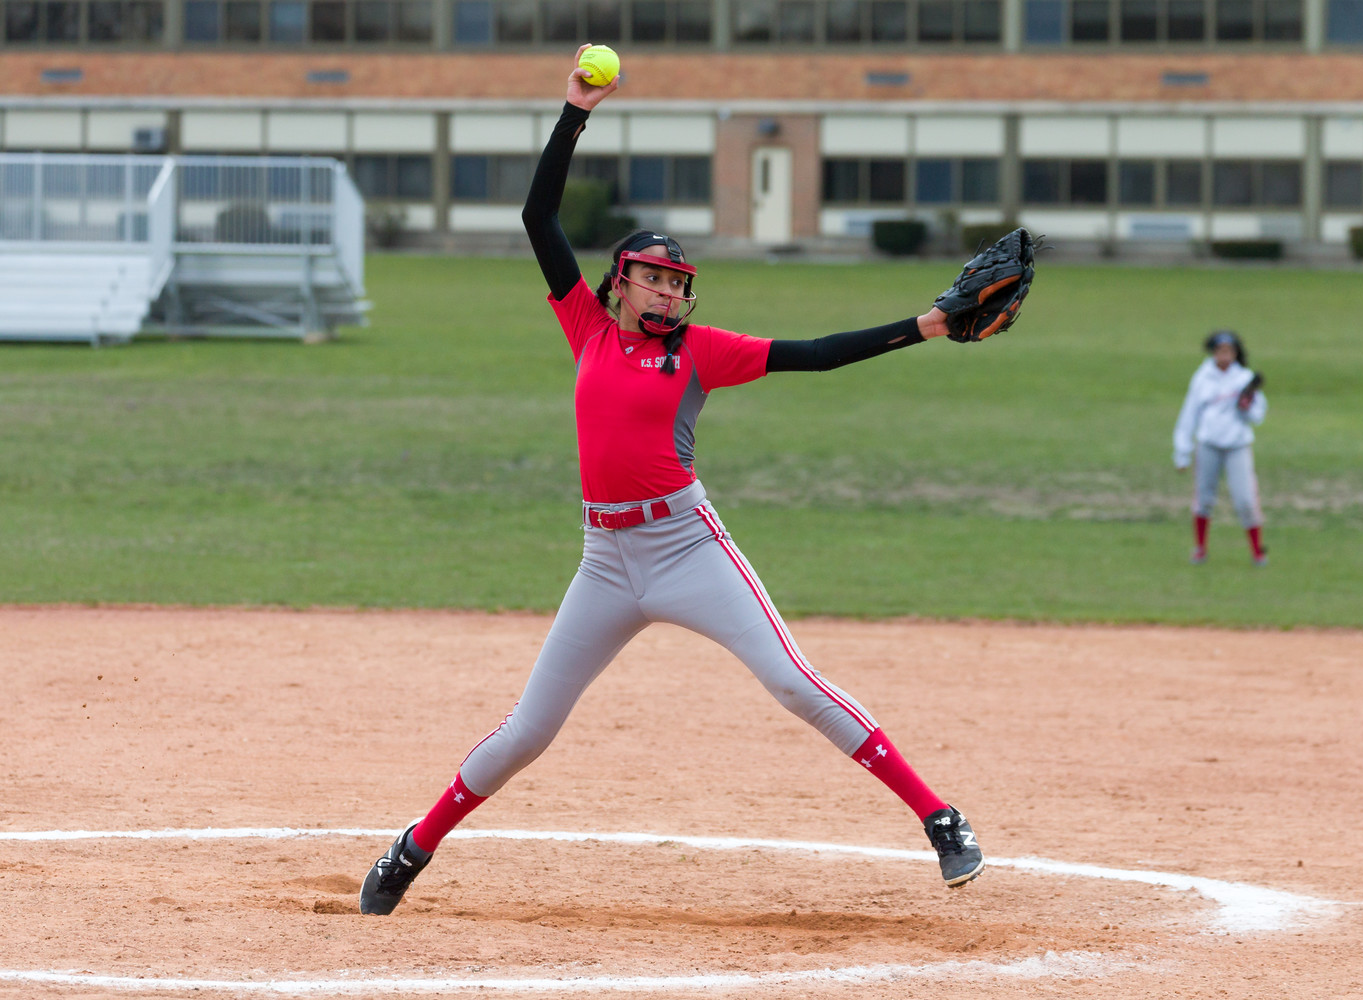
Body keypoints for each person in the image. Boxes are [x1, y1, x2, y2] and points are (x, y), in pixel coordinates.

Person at [359, 47, 984, 916]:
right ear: (621, 282)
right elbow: (539, 216)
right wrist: (575, 111)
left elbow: (818, 355)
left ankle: (941, 818)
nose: (668, 290)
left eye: (677, 281)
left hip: (688, 545)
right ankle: (411, 848)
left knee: (793, 683)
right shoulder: (586, 325)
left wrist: (926, 325)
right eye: (654, 275)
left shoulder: (698, 351)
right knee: (530, 728)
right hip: (604, 559)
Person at [1172, 330, 1269, 566]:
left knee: (1245, 500)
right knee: (1204, 498)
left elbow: (1258, 415)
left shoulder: (1243, 378)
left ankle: (1257, 551)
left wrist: (1247, 405)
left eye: (1229, 351)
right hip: (1208, 444)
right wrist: (1182, 451)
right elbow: (1189, 414)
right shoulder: (1202, 378)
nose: (1225, 356)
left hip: (1238, 445)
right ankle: (1200, 549)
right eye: (1220, 351)